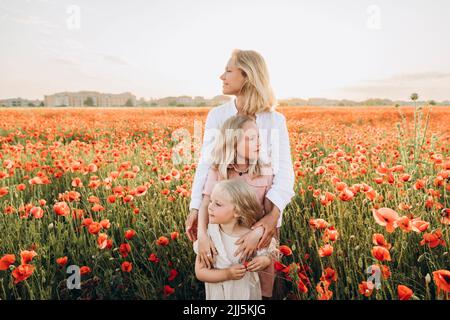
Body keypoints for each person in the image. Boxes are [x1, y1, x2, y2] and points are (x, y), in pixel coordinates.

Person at [196, 114, 277, 298]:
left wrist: (257, 235)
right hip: (223, 240)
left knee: (258, 291)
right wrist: (202, 235)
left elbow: (269, 213)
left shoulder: (264, 171)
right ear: (233, 142)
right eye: (250, 138)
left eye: (257, 137)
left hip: (257, 242)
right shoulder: (218, 169)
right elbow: (206, 203)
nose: (258, 143)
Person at [193, 179, 278, 300]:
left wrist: (264, 261)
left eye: (218, 204)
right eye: (211, 201)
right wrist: (227, 274)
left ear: (237, 211)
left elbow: (270, 255)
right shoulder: (210, 237)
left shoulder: (251, 237)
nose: (210, 207)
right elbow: (200, 272)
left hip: (247, 295)